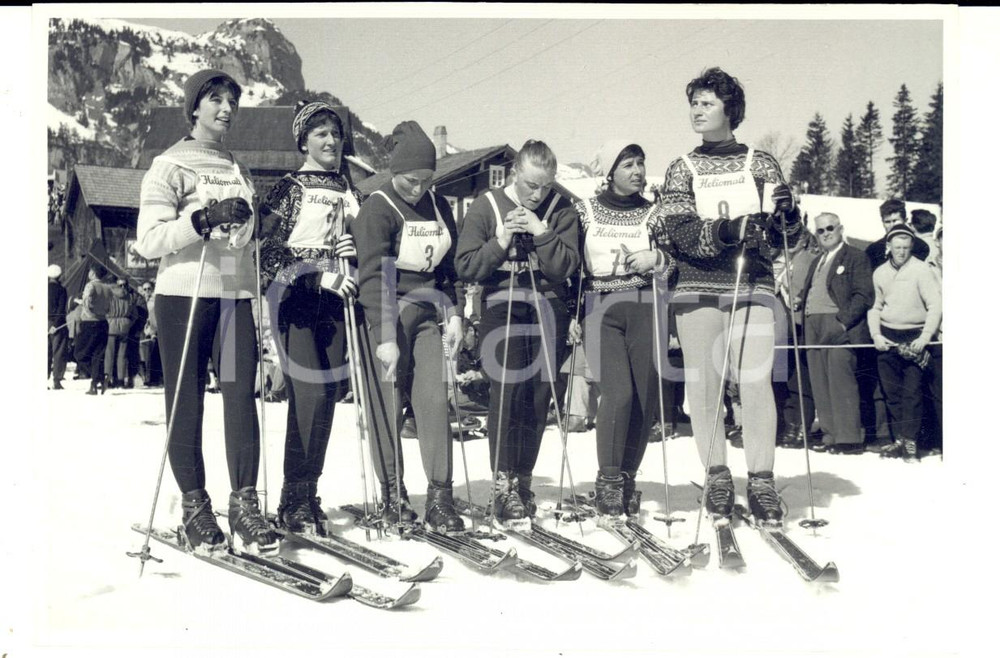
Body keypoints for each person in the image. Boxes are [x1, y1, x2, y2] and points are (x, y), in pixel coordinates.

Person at [135, 68, 277, 554]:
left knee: (240, 396)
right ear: (194, 107)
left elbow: (243, 236)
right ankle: (195, 507)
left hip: (234, 295)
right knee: (187, 400)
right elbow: (149, 241)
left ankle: (244, 505)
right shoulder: (169, 164)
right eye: (215, 99)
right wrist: (200, 220)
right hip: (184, 294)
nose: (226, 108)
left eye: (232, 101)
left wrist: (250, 226)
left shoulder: (237, 167)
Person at [657, 67, 802, 526]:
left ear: (730, 110)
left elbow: (785, 237)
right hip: (697, 286)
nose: (697, 111)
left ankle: (761, 479)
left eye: (707, 103)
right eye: (694, 103)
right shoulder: (681, 167)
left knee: (754, 381)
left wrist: (787, 215)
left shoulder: (761, 163)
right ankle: (717, 476)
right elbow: (678, 231)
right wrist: (726, 230)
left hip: (751, 284)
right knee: (705, 386)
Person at [455, 139, 579, 525]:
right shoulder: (487, 205)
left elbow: (565, 267)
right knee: (507, 394)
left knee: (538, 397)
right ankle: (502, 483)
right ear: (514, 174)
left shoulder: (561, 209)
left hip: (548, 306)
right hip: (502, 304)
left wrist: (541, 231)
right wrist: (501, 241)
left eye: (546, 186)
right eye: (530, 185)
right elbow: (466, 266)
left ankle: (523, 481)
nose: (537, 195)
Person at [354, 121, 466, 532]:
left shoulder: (438, 205)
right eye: (410, 180)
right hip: (388, 311)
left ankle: (440, 496)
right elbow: (373, 276)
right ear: (394, 170)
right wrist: (385, 336)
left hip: (427, 315)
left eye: (426, 180)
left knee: (434, 401)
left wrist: (455, 312)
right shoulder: (378, 208)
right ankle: (392, 494)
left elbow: (449, 269)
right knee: (387, 402)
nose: (418, 189)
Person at [258, 100, 361, 534]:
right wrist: (317, 275)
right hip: (296, 299)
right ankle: (291, 495)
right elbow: (268, 254)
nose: (330, 140)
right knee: (310, 394)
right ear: (303, 142)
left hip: (337, 301)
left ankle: (307, 491)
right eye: (320, 133)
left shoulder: (350, 189)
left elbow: (369, 242)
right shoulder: (289, 187)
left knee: (329, 394)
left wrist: (355, 249)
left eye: (335, 133)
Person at [571, 139, 671, 518]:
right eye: (628, 164)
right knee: (618, 394)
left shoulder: (655, 214)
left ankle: (627, 479)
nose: (637, 171)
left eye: (641, 163)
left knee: (644, 399)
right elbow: (571, 268)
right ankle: (608, 481)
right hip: (601, 307)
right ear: (610, 171)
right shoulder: (584, 212)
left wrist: (658, 257)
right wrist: (570, 313)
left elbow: (676, 262)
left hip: (645, 306)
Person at [799, 212, 874, 454]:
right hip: (812, 324)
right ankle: (830, 435)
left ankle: (849, 438)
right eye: (820, 230)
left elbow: (864, 294)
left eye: (830, 228)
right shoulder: (817, 261)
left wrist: (842, 323)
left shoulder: (855, 257)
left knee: (840, 379)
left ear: (840, 229)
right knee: (820, 380)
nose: (825, 234)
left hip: (837, 323)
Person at [867, 223, 942, 462]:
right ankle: (900, 437)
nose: (901, 252)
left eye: (906, 248)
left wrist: (924, 337)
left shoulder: (921, 270)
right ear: (889, 246)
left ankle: (911, 441)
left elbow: (935, 306)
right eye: (897, 247)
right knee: (892, 392)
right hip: (888, 339)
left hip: (915, 340)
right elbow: (875, 307)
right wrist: (876, 335)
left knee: (912, 394)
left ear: (911, 247)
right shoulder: (880, 272)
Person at [74, 262, 115, 395]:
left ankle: (98, 378)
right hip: (103, 322)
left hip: (89, 322)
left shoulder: (90, 285)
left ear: (93, 273)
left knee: (80, 353)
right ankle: (96, 382)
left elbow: (87, 301)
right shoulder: (107, 288)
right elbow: (109, 306)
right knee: (98, 354)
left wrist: (86, 309)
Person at [864, 199, 930, 270]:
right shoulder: (873, 250)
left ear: (905, 220)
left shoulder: (920, 246)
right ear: (882, 222)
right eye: (887, 222)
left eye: (895, 221)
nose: (892, 225)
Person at [104, 278, 135, 389]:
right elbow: (134, 314)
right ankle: (121, 380)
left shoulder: (109, 295)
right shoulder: (129, 296)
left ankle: (108, 378)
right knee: (122, 354)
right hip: (125, 327)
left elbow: (105, 309)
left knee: (109, 354)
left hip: (111, 325)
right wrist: (128, 323)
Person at [48, 264, 68, 390]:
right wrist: (55, 325)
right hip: (57, 324)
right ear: (59, 275)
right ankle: (57, 380)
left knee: (45, 352)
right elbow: (61, 310)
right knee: (58, 352)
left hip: (44, 322)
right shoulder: (61, 290)